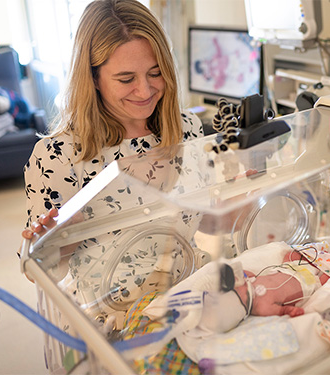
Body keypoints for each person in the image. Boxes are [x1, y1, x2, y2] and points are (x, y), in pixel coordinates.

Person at [20, 0, 205, 308]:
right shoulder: (58, 156)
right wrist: (61, 238)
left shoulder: (189, 128)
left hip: (189, 298)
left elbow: (203, 221)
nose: (145, 91)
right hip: (108, 319)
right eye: (126, 79)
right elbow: (37, 271)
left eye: (155, 73)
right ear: (93, 78)